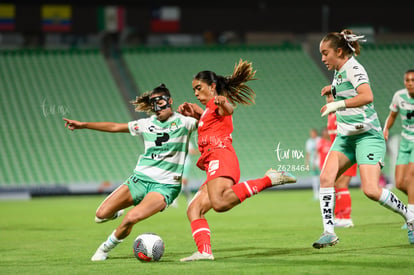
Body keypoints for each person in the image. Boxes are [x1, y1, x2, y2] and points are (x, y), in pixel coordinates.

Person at [177, 59, 297, 261]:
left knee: (220, 203)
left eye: (199, 88)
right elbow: (212, 121)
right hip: (213, 161)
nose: (195, 93)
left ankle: (269, 179)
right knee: (194, 209)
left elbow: (228, 110)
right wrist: (196, 114)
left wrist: (223, 102)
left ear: (212, 87)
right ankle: (204, 252)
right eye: (194, 90)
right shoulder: (207, 111)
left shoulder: (218, 103)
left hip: (221, 157)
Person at [63, 84, 198, 261]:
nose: (157, 108)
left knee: (131, 217)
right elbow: (114, 127)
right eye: (153, 104)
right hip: (139, 179)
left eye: (161, 102)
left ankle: (104, 249)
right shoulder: (145, 124)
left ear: (170, 101)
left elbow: (211, 121)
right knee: (100, 216)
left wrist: (198, 111)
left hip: (165, 186)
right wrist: (84, 125)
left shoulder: (185, 121)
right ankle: (118, 211)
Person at [314, 29, 414, 249]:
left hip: (367, 136)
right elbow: (347, 89)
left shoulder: (354, 68)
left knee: (371, 190)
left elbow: (367, 96)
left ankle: (410, 217)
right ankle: (329, 232)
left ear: (339, 51)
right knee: (326, 178)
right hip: (346, 137)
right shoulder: (339, 70)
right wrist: (332, 89)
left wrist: (337, 103)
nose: (322, 58)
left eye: (325, 53)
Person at [383, 69, 414, 226]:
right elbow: (393, 115)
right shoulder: (399, 96)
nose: (410, 83)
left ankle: (412, 218)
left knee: (410, 178)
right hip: (405, 142)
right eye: (407, 80)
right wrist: (386, 129)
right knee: (400, 183)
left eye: (413, 80)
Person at [326, 112, 357, 228]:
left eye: (331, 96)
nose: (329, 99)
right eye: (327, 96)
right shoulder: (330, 114)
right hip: (338, 154)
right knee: (336, 184)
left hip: (347, 152)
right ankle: (339, 216)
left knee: (342, 184)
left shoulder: (343, 112)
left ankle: (346, 217)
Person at [306, 128, 321, 200]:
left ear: (316, 133)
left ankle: (322, 193)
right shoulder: (309, 141)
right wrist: (307, 163)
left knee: (322, 178)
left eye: (313, 133)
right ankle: (316, 194)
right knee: (314, 178)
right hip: (313, 162)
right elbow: (308, 153)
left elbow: (318, 151)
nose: (311, 134)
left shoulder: (319, 140)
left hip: (320, 161)